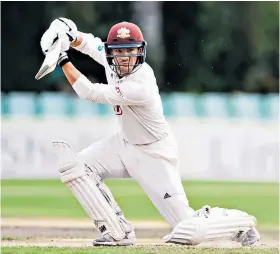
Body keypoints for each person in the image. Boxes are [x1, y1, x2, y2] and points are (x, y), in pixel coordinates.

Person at [40, 18, 260, 247]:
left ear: (140, 51)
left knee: (189, 231)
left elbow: (89, 92)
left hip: (154, 154)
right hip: (123, 144)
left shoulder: (140, 84)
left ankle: (241, 224)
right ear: (111, 52)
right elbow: (89, 44)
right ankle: (118, 232)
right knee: (76, 167)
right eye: (118, 51)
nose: (124, 57)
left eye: (130, 51)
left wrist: (62, 58)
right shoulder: (110, 58)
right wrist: (70, 35)